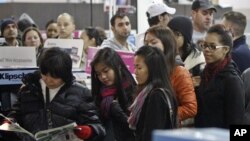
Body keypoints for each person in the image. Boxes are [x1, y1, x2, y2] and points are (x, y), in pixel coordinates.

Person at [1, 47, 106, 141]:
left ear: (65, 75)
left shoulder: (81, 93)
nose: (48, 80)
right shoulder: (28, 89)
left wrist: (89, 131)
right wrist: (9, 123)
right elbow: (16, 114)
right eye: (44, 74)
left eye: (55, 77)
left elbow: (98, 127)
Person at [144, 25, 197, 127]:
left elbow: (191, 108)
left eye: (153, 42)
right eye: (146, 43)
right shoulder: (148, 69)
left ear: (166, 44)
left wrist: (163, 114)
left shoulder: (179, 72)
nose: (148, 46)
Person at [195, 24, 244, 128]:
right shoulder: (205, 74)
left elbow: (237, 121)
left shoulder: (232, 80)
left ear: (225, 49)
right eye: (204, 45)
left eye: (212, 46)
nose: (206, 50)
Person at [128, 46, 178, 141]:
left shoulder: (157, 96)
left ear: (152, 69)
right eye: (135, 67)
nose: (135, 72)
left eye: (139, 68)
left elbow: (152, 134)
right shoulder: (149, 92)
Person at [91, 47, 136, 141]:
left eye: (106, 71)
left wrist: (117, 111)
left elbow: (135, 127)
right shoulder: (100, 91)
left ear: (117, 67)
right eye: (98, 74)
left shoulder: (131, 90)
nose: (103, 77)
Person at [168, 16, 205, 88]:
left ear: (186, 37)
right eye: (169, 33)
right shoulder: (165, 55)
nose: (172, 38)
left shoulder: (197, 61)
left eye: (177, 34)